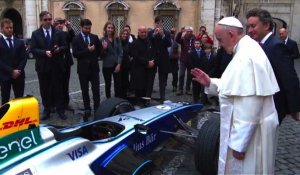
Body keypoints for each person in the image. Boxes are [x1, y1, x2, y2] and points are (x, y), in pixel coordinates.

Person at [191, 16, 279, 174]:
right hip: (253, 129)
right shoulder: (244, 50)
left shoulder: (246, 57)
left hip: (251, 136)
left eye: (220, 39)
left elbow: (250, 104)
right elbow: (233, 87)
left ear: (231, 34)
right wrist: (210, 82)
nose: (219, 44)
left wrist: (239, 144)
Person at [246, 8, 300, 122]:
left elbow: (289, 78)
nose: (249, 30)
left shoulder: (276, 46)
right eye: (248, 27)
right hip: (258, 106)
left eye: (253, 26)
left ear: (266, 25)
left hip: (272, 107)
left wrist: (294, 109)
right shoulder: (257, 44)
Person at [31, 11, 67, 120]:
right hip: (43, 66)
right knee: (44, 89)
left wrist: (59, 49)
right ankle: (46, 109)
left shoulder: (58, 32)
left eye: (49, 19)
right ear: (41, 20)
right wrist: (44, 52)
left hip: (56, 65)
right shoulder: (35, 33)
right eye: (45, 19)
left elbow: (65, 46)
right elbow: (33, 49)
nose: (48, 21)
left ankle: (60, 109)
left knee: (58, 88)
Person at [72, 19, 101, 121]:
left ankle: (97, 109)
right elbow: (75, 54)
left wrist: (95, 53)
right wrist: (87, 50)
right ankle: (87, 108)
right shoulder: (76, 39)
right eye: (86, 28)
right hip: (83, 70)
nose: (88, 30)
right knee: (85, 91)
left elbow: (99, 50)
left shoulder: (94, 37)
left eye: (89, 28)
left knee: (96, 90)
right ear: (81, 27)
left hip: (94, 68)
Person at [0, 18, 27, 105]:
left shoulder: (19, 42)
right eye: (7, 28)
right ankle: (5, 117)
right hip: (4, 75)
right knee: (5, 99)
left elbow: (24, 58)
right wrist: (11, 71)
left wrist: (18, 70)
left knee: (19, 98)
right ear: (2, 29)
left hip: (19, 75)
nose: (9, 30)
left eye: (11, 27)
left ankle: (19, 116)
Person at [147, 16, 171, 103]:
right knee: (150, 79)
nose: (159, 25)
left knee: (162, 80)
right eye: (158, 23)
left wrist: (163, 35)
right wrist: (153, 36)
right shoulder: (150, 33)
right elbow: (148, 43)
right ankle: (148, 98)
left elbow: (169, 44)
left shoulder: (167, 33)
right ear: (155, 23)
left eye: (161, 23)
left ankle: (162, 98)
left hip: (163, 59)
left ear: (163, 24)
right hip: (153, 58)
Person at [54, 17, 75, 110]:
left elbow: (73, 37)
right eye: (58, 23)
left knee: (65, 84)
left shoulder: (66, 34)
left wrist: (69, 27)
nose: (60, 25)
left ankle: (66, 103)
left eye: (61, 23)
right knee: (57, 85)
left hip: (66, 63)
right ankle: (57, 104)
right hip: (56, 64)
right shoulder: (52, 34)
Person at [131, 26, 156, 102]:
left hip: (149, 71)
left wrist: (153, 61)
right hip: (139, 71)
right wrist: (147, 62)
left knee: (148, 90)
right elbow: (136, 56)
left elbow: (153, 53)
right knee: (139, 92)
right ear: (138, 32)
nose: (144, 34)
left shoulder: (149, 42)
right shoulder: (134, 43)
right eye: (142, 32)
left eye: (145, 32)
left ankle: (147, 104)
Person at [100, 21, 123, 98]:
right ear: (105, 29)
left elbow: (120, 52)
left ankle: (117, 99)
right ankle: (108, 100)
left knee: (118, 84)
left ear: (114, 29)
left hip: (116, 64)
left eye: (112, 28)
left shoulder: (117, 39)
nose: (110, 29)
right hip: (107, 65)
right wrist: (104, 49)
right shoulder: (102, 40)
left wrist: (119, 64)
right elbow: (101, 56)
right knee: (108, 84)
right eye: (109, 27)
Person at [175, 26, 195, 95]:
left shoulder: (194, 38)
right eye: (188, 31)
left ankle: (188, 89)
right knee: (181, 74)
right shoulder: (183, 37)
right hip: (183, 59)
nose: (189, 32)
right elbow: (177, 40)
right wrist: (180, 32)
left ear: (192, 32)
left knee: (190, 75)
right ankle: (180, 89)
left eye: (190, 31)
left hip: (191, 60)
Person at [189, 39, 205, 104]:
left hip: (201, 71)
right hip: (194, 72)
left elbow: (204, 62)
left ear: (200, 44)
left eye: (198, 43)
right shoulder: (191, 52)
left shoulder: (203, 52)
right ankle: (195, 100)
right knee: (195, 87)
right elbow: (190, 63)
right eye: (195, 43)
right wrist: (194, 70)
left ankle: (201, 99)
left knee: (201, 87)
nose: (196, 45)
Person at [119, 28, 131, 98]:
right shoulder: (117, 42)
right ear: (121, 34)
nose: (125, 35)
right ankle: (119, 97)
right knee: (119, 82)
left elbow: (131, 53)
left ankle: (124, 96)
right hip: (119, 64)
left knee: (125, 82)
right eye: (123, 34)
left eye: (126, 34)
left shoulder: (129, 44)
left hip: (126, 65)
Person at [168, 28, 179, 92]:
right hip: (167, 59)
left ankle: (174, 85)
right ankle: (164, 85)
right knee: (165, 73)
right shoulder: (167, 40)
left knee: (175, 74)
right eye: (171, 33)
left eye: (173, 33)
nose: (172, 34)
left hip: (174, 59)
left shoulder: (176, 41)